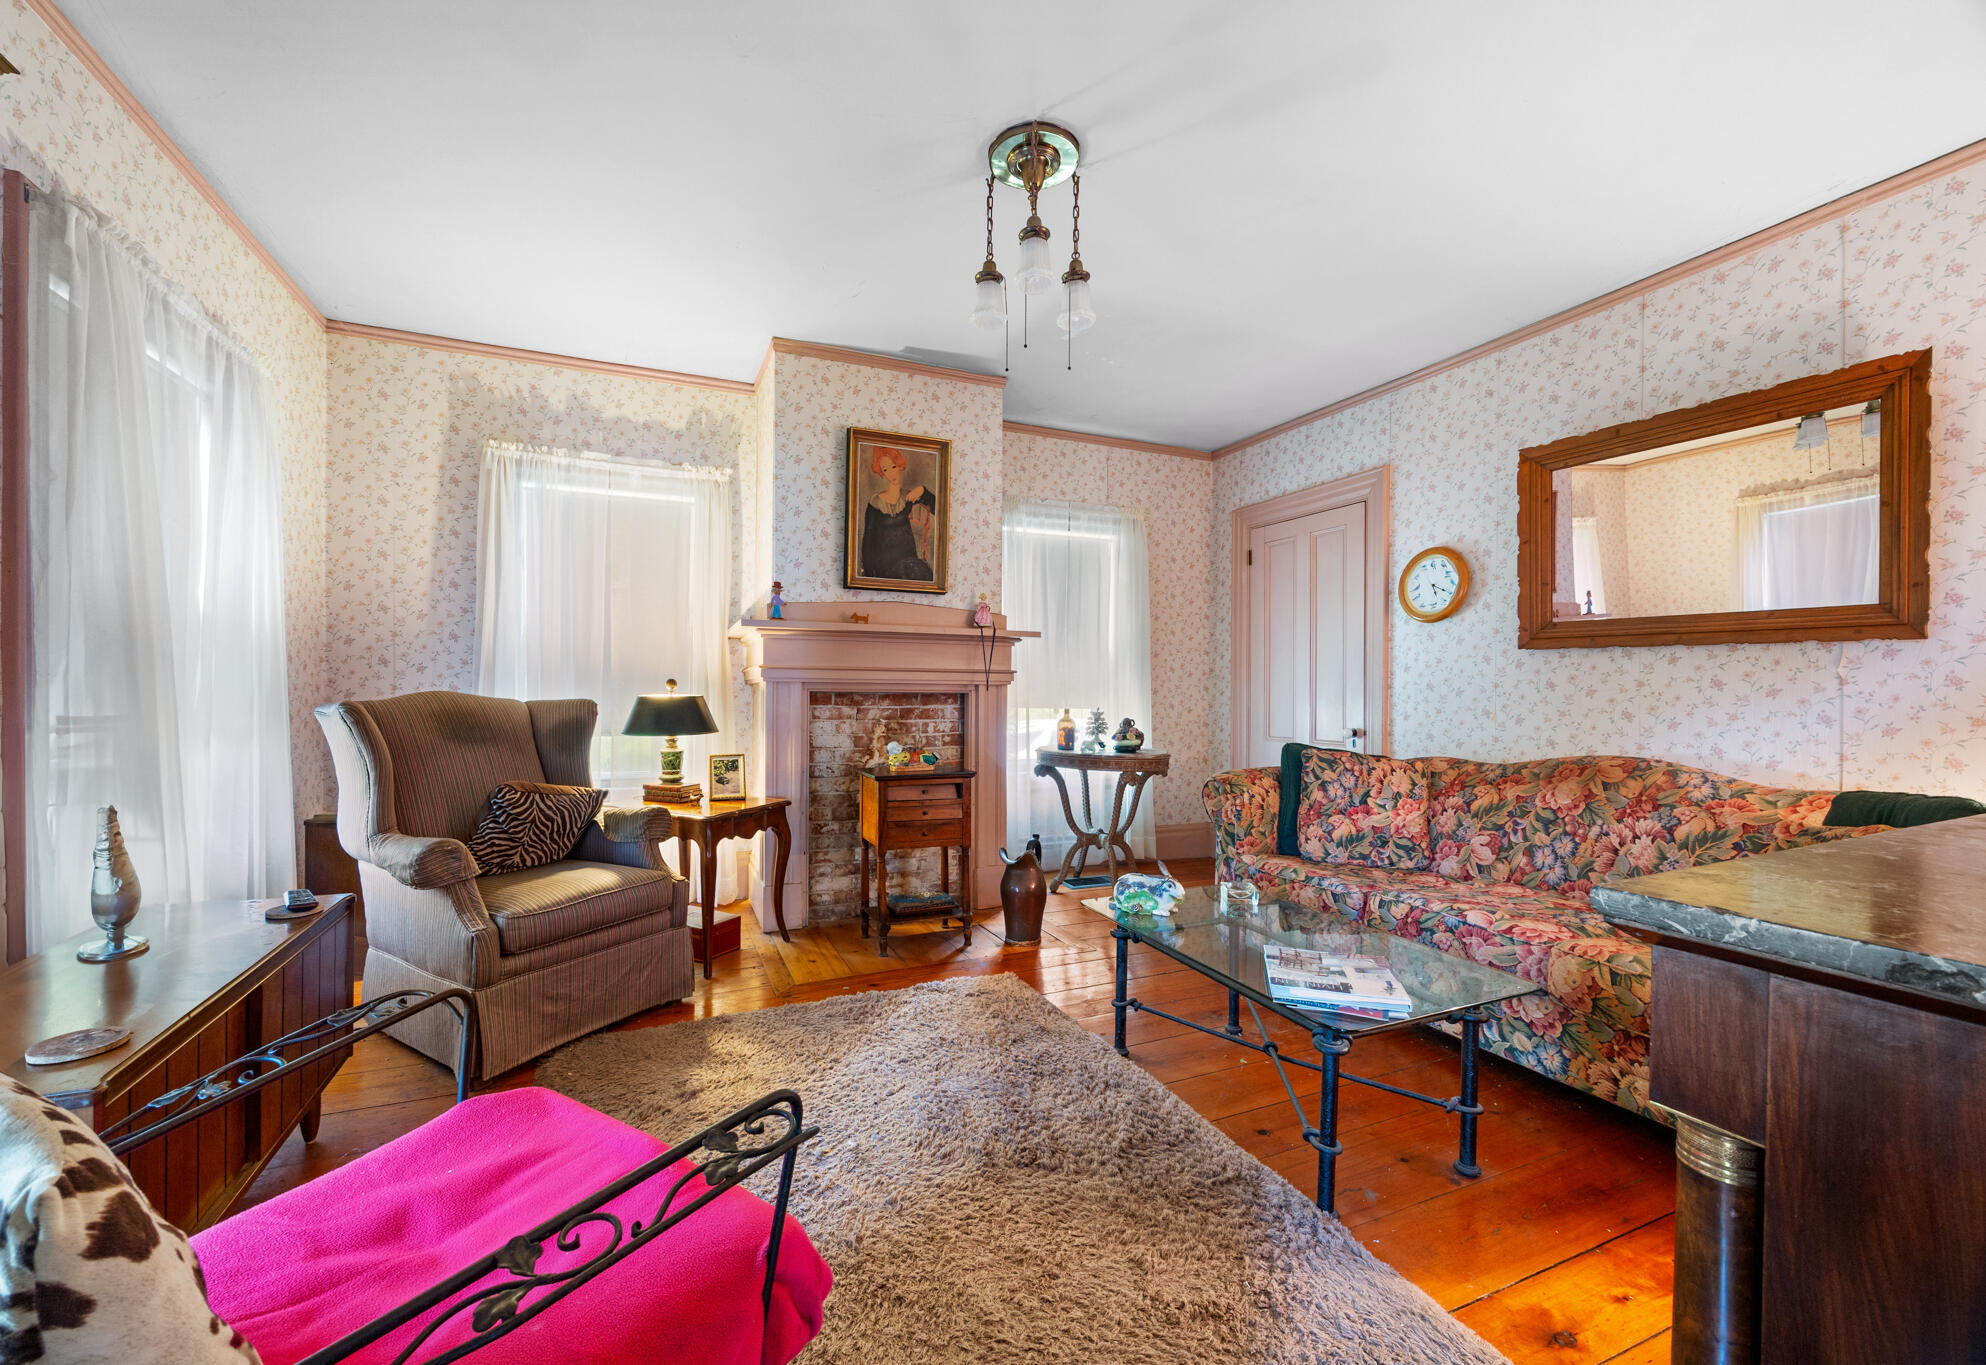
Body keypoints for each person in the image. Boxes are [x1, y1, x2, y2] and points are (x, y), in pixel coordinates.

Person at [860, 446, 936, 581]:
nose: (890, 473)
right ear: (882, 473)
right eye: (885, 470)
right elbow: (868, 538)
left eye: (893, 467)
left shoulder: (908, 496)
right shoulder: (876, 501)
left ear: (900, 466)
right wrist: (869, 573)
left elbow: (938, 508)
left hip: (908, 560)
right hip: (883, 565)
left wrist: (922, 490)